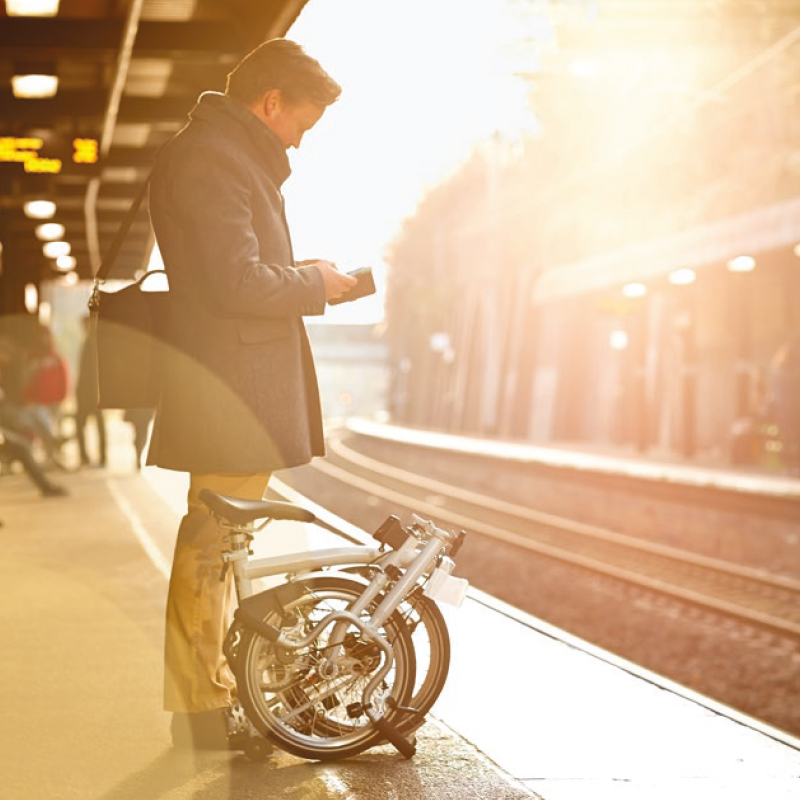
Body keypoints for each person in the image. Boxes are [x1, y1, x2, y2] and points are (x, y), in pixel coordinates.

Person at [145, 38, 357, 750]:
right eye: (301, 123)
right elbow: (233, 283)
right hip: (232, 388)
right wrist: (312, 286)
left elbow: (230, 269)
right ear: (271, 104)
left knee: (217, 542)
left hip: (234, 381)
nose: (300, 139)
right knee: (211, 544)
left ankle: (211, 698)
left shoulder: (222, 156)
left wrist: (303, 273)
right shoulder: (213, 158)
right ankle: (201, 708)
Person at [74, 316, 107, 469]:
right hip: (86, 393)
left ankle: (100, 457)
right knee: (84, 424)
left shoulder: (95, 344)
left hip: (93, 393)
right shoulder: (89, 343)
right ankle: (89, 457)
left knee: (96, 425)